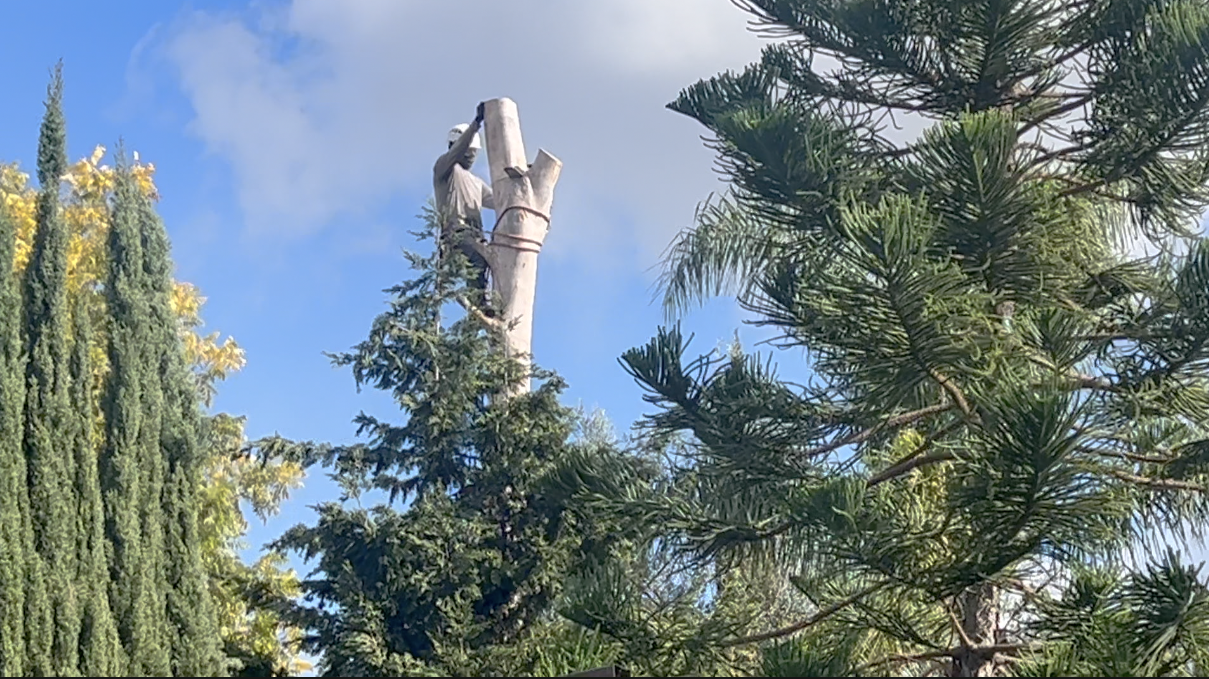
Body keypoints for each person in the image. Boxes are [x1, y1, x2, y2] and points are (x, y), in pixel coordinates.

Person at [434, 102, 494, 296]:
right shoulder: (445, 168)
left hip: (475, 236)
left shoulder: (475, 182)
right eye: (469, 152)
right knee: (477, 257)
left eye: (474, 154)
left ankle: (487, 300)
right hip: (456, 232)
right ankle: (478, 301)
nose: (471, 157)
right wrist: (476, 123)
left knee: (490, 258)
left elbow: (499, 199)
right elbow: (457, 152)